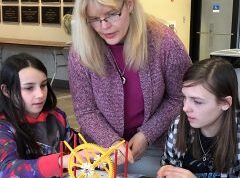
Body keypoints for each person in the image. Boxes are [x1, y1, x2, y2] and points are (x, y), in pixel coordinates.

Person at [68, 0, 191, 175]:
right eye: (94, 19)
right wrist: (111, 142)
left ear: (130, 4)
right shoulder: (81, 50)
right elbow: (85, 110)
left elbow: (180, 97)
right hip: (101, 149)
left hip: (155, 147)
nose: (104, 26)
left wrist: (146, 135)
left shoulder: (165, 42)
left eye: (111, 14)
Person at [0, 53, 83, 177]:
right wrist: (59, 162)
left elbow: (73, 148)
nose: (40, 94)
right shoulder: (4, 127)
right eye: (29, 88)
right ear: (7, 91)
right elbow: (6, 171)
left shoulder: (57, 116)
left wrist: (87, 152)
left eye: (43, 85)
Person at [157, 57, 240, 178]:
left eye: (197, 102)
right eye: (185, 97)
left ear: (225, 103)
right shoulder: (178, 125)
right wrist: (164, 172)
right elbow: (167, 164)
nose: (185, 108)